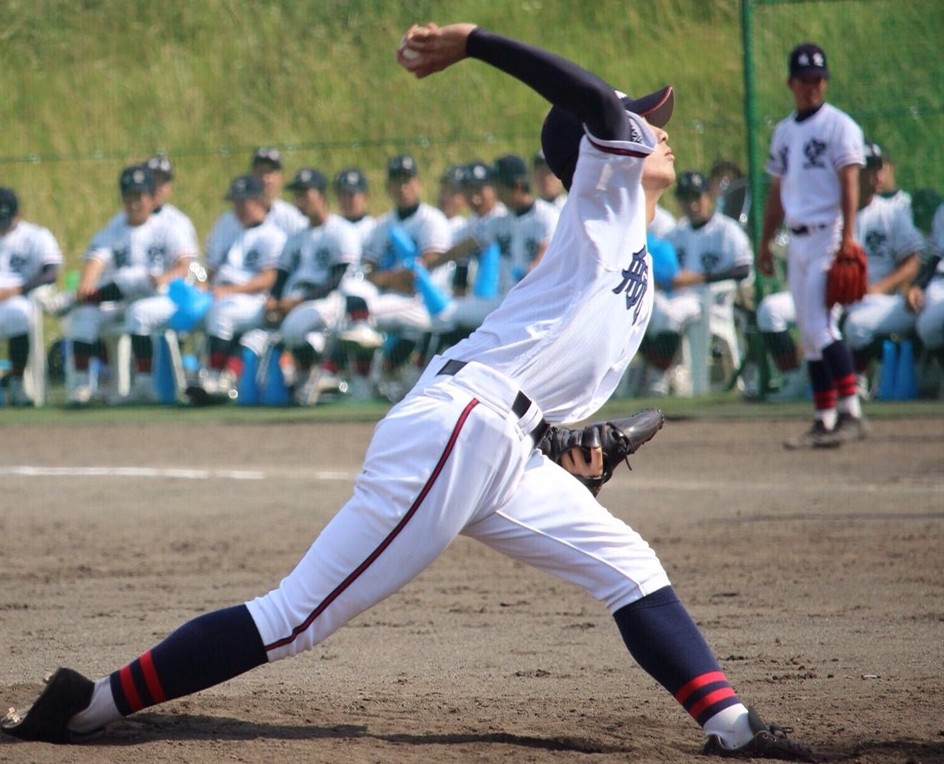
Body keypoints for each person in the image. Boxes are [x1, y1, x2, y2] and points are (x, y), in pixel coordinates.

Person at [1, 22, 818, 761]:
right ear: (604, 146)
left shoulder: (624, 230)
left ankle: (732, 728)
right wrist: (475, 42)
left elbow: (548, 355)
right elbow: (585, 99)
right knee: (295, 618)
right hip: (461, 428)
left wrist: (557, 441)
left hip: (500, 440)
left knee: (627, 563)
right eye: (642, 119)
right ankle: (87, 709)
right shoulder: (604, 192)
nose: (659, 128)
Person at [758, 42, 867, 449]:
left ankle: (851, 411)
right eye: (804, 80)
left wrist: (849, 237)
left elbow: (849, 183)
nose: (812, 87)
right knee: (808, 329)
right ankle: (824, 419)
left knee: (821, 327)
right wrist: (765, 243)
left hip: (829, 235)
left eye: (818, 79)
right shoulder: (784, 132)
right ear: (791, 83)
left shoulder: (840, 126)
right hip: (797, 240)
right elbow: (776, 193)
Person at [63, 165, 195, 405]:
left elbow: (186, 265)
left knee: (137, 296)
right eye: (129, 196)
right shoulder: (115, 228)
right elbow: (96, 259)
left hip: (162, 296)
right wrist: (85, 284)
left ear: (151, 197)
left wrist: (165, 277)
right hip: (119, 297)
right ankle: (81, 388)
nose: (134, 203)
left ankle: (144, 385)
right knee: (84, 316)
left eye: (139, 196)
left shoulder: (169, 226)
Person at [639, 170, 753, 395]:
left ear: (707, 197)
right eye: (685, 198)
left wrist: (699, 278)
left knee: (671, 314)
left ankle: (658, 377)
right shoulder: (676, 233)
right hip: (677, 296)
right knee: (642, 311)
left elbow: (744, 269)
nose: (692, 204)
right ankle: (662, 370)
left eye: (696, 196)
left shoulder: (726, 229)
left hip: (709, 300)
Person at [262, 168, 361, 405]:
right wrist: (272, 299)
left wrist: (299, 301)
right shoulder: (296, 237)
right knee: (281, 330)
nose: (300, 200)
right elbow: (282, 274)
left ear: (322, 196)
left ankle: (318, 371)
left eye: (306, 193)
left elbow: (339, 278)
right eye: (297, 194)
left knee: (294, 329)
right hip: (295, 299)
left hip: (327, 299)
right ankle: (316, 374)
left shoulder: (341, 230)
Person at [185, 174, 285, 403]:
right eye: (236, 202)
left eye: (244, 202)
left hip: (255, 301)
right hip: (224, 296)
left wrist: (229, 291)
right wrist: (205, 285)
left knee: (222, 312)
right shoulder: (230, 228)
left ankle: (216, 376)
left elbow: (269, 278)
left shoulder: (273, 235)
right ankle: (197, 373)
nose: (238, 208)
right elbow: (212, 270)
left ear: (260, 201)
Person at [835, 142, 924, 389]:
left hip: (883, 299)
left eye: (880, 170)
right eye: (871, 170)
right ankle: (805, 381)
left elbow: (912, 261)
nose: (879, 177)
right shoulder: (835, 214)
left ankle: (864, 378)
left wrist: (879, 287)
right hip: (844, 296)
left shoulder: (891, 213)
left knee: (855, 325)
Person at [0, 187, 63, 406]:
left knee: (20, 314)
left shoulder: (35, 235)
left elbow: (51, 272)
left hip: (19, 296)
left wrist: (16, 290)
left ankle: (17, 381)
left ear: (17, 213)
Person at [907, 192, 944, 397]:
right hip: (940, 280)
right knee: (928, 327)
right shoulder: (942, 212)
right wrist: (918, 285)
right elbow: (936, 256)